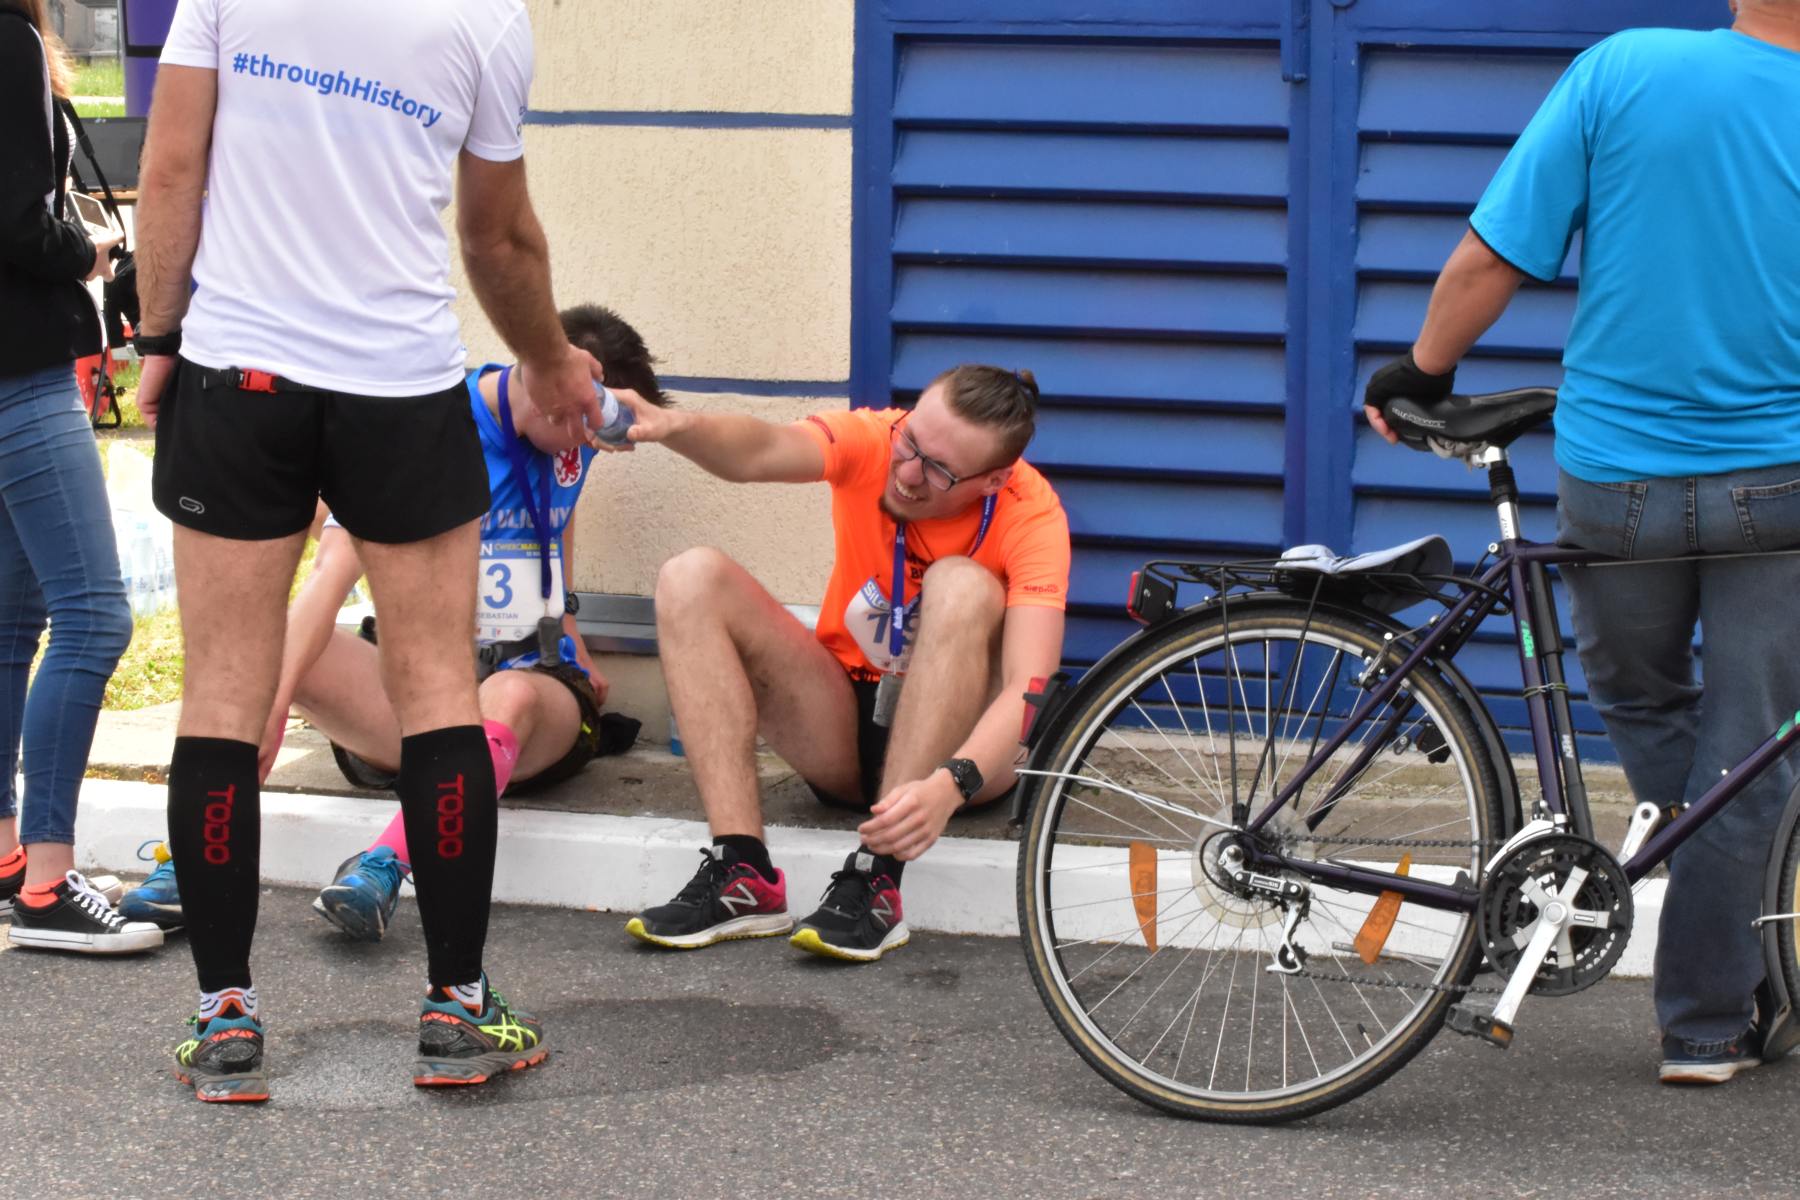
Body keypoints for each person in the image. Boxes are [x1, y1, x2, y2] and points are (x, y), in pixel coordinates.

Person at [133, 0, 611, 1101]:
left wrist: (159, 335)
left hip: (239, 374)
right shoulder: (488, 19)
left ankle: (224, 1018)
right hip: (398, 386)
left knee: (221, 697)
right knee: (439, 693)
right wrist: (548, 359)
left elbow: (170, 171)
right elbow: (498, 238)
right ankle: (457, 1006)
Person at [1363, 1, 1800, 1086]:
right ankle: (1708, 1023)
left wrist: (1421, 372)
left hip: (1617, 479)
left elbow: (1491, 258)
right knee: (1746, 754)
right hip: (1782, 481)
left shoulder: (1622, 70)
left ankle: (1713, 955)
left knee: (1642, 700)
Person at [120, 305, 665, 942]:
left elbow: (556, 513)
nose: (596, 444)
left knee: (509, 693)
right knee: (258, 658)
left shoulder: (571, 434)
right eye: (595, 424)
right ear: (558, 388)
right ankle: (194, 862)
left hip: (531, 695)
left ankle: (383, 867)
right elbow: (330, 576)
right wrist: (267, 706)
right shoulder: (426, 430)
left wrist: (565, 624)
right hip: (420, 697)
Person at [623, 365, 1070, 962]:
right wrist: (674, 426)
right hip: (844, 714)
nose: (907, 475)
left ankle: (877, 879)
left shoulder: (1031, 513)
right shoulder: (875, 439)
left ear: (993, 480)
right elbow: (760, 450)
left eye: (939, 470)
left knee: (962, 584)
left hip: (959, 757)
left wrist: (951, 783)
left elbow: (1029, 688)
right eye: (911, 443)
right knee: (690, 576)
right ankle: (742, 872)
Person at [0, 0, 157, 954]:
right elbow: (18, 222)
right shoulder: (8, 40)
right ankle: (49, 885)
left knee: (12, 623)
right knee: (95, 616)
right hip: (20, 375)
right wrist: (91, 251)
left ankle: (9, 860)